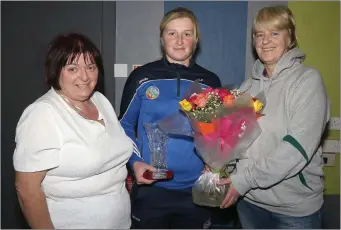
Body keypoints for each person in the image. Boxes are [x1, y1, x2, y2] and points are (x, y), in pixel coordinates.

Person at [217, 5, 330, 229]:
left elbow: (296, 148)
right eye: (260, 34)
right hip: (249, 202)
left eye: (274, 33)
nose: (266, 41)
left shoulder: (306, 81)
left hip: (293, 210)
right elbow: (235, 138)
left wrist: (243, 181)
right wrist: (218, 164)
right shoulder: (247, 86)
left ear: (290, 38)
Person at [13, 33, 133, 229]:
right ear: (56, 71)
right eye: (73, 68)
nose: (84, 77)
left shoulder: (100, 101)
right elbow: (27, 189)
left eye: (91, 67)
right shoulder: (42, 114)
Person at [119, 7, 221, 229]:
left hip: (196, 192)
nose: (179, 41)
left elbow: (216, 133)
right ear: (162, 37)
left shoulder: (210, 81)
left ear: (196, 39)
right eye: (172, 33)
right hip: (151, 191)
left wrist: (215, 162)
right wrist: (135, 164)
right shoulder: (141, 78)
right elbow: (124, 126)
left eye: (187, 34)